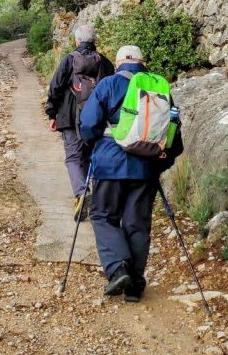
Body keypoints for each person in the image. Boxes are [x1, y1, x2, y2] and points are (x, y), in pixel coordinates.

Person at [79, 45, 184, 302]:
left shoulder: (107, 85)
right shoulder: (159, 88)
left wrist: (94, 146)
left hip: (109, 165)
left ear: (117, 64)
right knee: (137, 224)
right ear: (142, 63)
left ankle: (117, 268)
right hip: (145, 168)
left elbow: (89, 125)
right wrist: (160, 163)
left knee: (103, 216)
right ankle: (134, 287)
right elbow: (174, 135)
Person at [45, 24, 114, 220]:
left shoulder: (69, 60)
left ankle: (82, 193)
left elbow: (55, 87)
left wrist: (52, 113)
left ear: (77, 41)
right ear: (95, 41)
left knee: (74, 158)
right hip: (99, 120)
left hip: (69, 117)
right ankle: (98, 201)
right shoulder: (105, 63)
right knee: (94, 157)